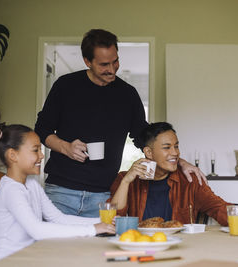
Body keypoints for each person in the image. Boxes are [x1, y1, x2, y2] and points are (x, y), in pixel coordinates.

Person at [34, 29, 206, 218]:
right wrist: (66, 147)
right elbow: (42, 128)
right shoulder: (65, 86)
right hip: (61, 191)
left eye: (115, 61)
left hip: (104, 195)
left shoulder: (128, 94)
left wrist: (179, 161)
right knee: (56, 247)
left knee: (98, 247)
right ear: (87, 61)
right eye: (104, 64)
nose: (112, 68)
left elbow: (145, 138)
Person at [110, 122, 238, 234]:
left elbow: (219, 207)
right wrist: (126, 181)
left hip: (181, 248)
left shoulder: (189, 181)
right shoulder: (126, 179)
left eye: (176, 146)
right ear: (148, 152)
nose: (175, 153)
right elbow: (112, 219)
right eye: (167, 147)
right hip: (139, 247)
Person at [0, 124, 115, 263]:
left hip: (27, 258)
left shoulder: (31, 185)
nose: (42, 155)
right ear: (13, 155)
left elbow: (58, 218)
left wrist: (102, 221)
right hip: (7, 262)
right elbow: (37, 229)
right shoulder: (10, 190)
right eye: (35, 150)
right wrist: (93, 229)